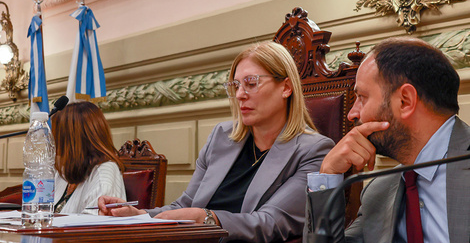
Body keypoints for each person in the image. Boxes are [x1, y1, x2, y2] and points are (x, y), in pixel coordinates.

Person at [98, 41, 334, 242]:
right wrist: (136, 215)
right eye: (236, 85)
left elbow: (272, 223)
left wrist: (208, 218)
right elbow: (183, 206)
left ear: (286, 87)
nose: (240, 94)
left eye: (251, 83)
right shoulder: (222, 136)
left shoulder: (314, 151)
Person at [304, 37, 470, 243]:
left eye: (362, 97)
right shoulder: (378, 191)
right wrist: (328, 175)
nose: (352, 114)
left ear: (405, 101)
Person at [52, 101, 126, 214]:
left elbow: (92, 225)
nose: (52, 139)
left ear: (69, 138)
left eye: (55, 132)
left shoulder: (104, 172)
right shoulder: (64, 170)